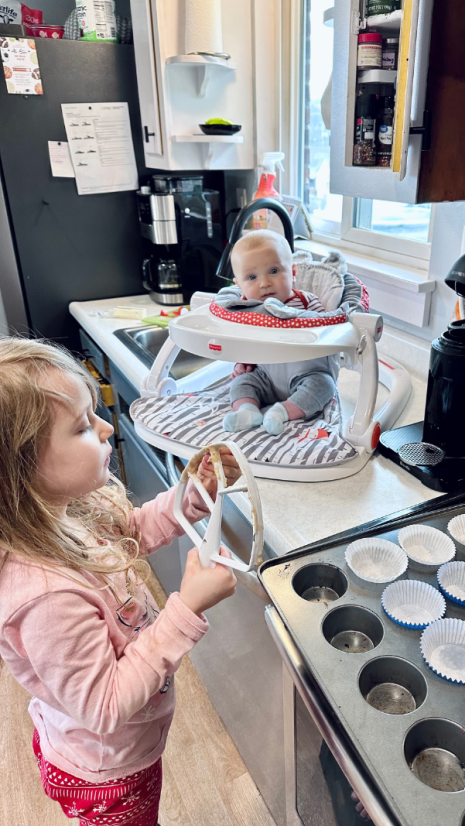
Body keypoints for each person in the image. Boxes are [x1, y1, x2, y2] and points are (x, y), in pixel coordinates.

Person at [0, 338, 239, 826]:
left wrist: (187, 499)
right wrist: (185, 610)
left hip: (115, 743)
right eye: (84, 425)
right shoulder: (44, 598)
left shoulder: (68, 509)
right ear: (24, 468)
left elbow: (130, 530)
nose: (108, 427)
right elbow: (105, 704)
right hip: (106, 774)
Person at [221, 229, 339, 436]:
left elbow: (326, 332)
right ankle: (248, 411)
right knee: (240, 381)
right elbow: (243, 340)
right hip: (265, 375)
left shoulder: (306, 302)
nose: (264, 283)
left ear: (293, 273)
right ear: (239, 285)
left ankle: (281, 412)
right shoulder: (244, 309)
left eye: (274, 271)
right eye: (251, 277)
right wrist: (244, 361)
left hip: (306, 374)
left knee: (325, 386)